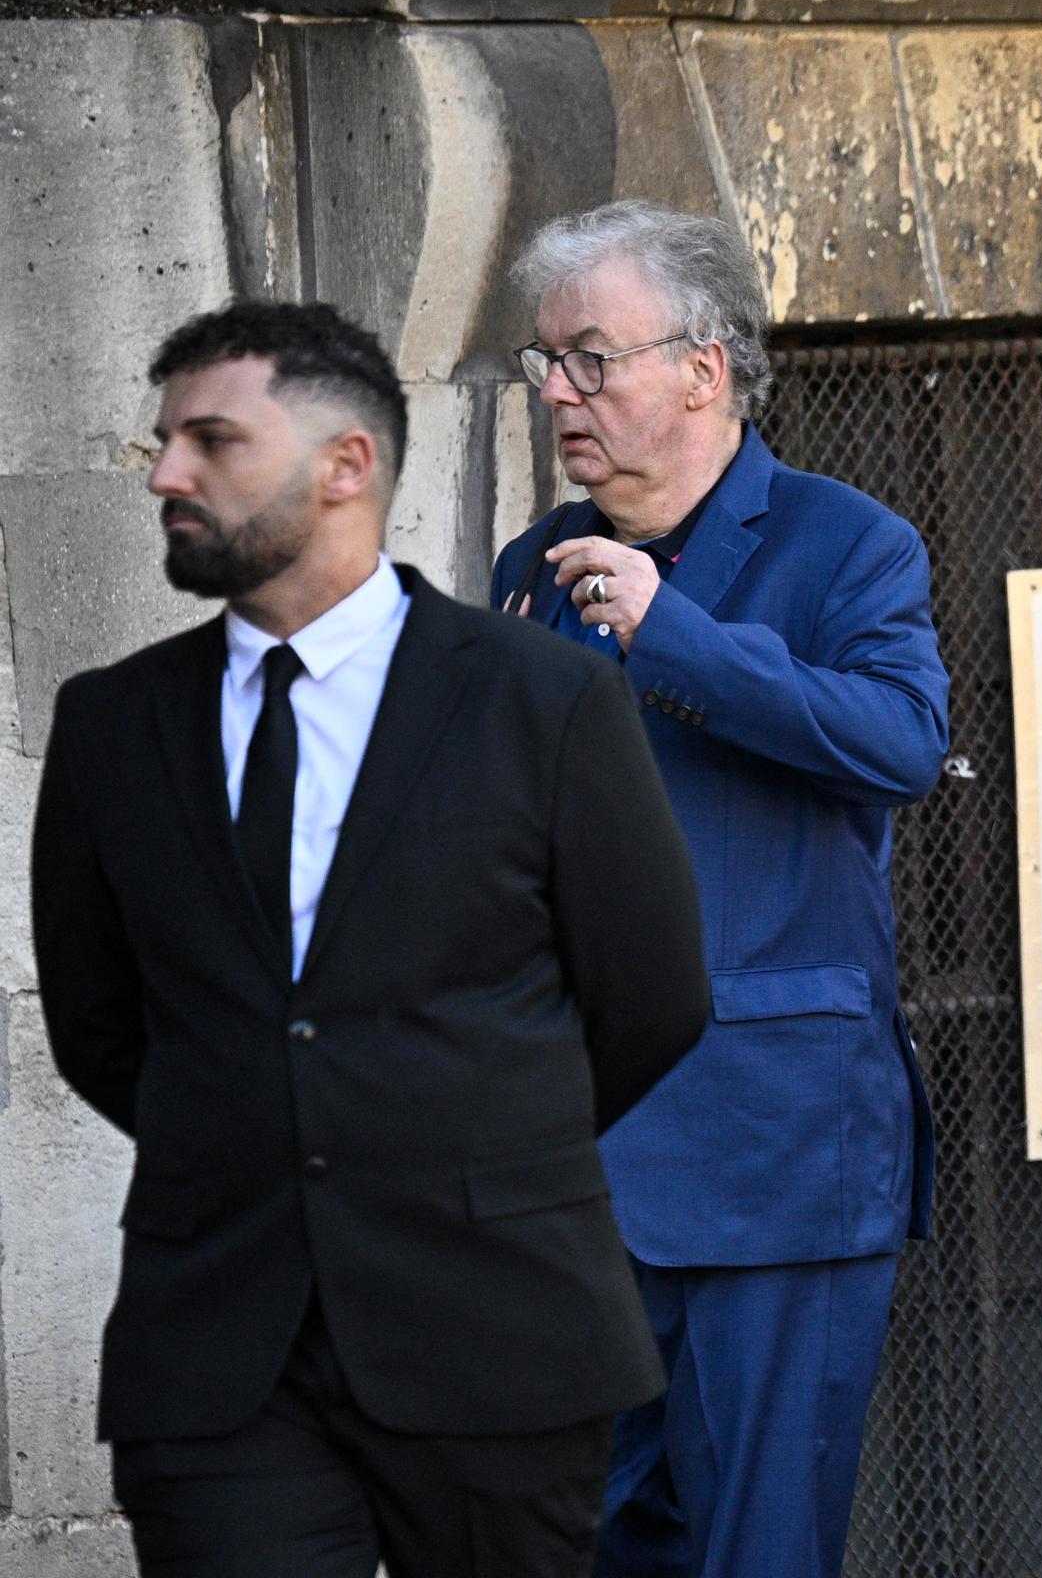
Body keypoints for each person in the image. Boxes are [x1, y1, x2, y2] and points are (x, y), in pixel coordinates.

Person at [32, 300, 710, 1577]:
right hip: (222, 1346)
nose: (169, 474)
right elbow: (99, 1025)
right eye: (164, 442)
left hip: (501, 1328)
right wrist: (270, 1134)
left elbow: (653, 998)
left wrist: (469, 1145)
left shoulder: (542, 700)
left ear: (346, 466)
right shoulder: (112, 726)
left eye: (212, 442)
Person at [491, 200, 950, 1578]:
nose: (561, 395)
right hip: (575, 1159)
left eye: (591, 359)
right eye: (544, 364)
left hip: (774, 1153)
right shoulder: (532, 569)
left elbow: (898, 743)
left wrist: (668, 628)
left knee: (758, 1549)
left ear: (702, 367)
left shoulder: (846, 544)